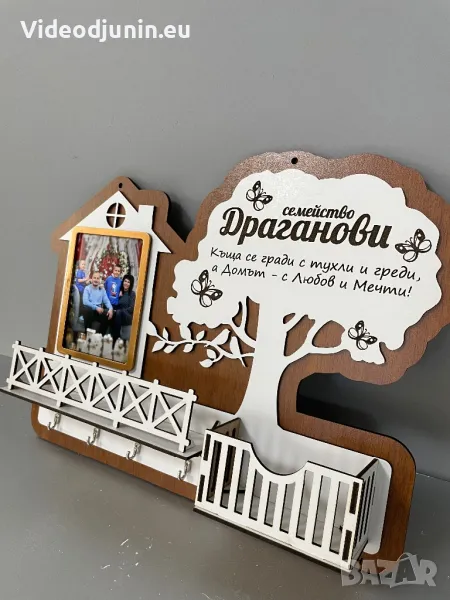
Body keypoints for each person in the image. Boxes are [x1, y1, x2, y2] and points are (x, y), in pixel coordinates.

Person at [112, 273, 136, 342]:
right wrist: (118, 297)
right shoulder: (118, 292)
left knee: (119, 312)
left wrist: (121, 311)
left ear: (130, 284)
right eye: (125, 281)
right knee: (113, 312)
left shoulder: (132, 294)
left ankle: (115, 338)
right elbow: (114, 305)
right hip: (118, 315)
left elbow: (131, 308)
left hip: (127, 316)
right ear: (123, 282)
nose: (126, 283)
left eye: (128, 282)